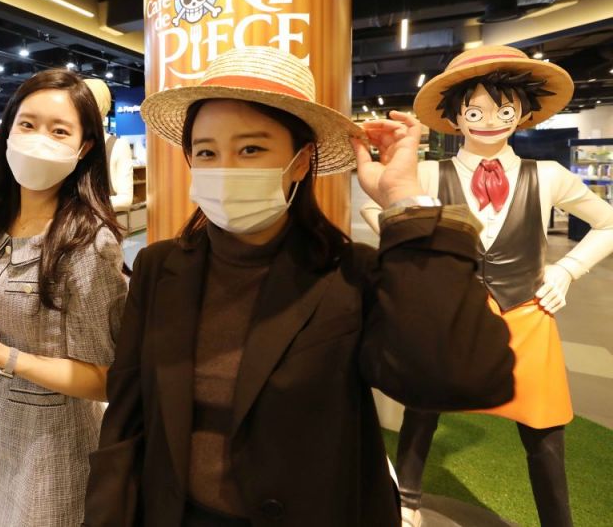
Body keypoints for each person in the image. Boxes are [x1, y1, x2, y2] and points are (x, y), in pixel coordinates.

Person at [83, 46, 514, 527]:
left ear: (302, 160)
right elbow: (127, 410)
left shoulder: (350, 274)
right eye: (206, 152)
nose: (225, 168)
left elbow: (458, 376)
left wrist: (405, 202)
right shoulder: (159, 267)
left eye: (251, 149)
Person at [361, 45, 613, 527]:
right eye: (474, 111)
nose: (490, 121)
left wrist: (566, 270)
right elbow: (374, 207)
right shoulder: (429, 174)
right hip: (452, 312)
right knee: (423, 405)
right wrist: (420, 247)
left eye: (504, 110)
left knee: (545, 428)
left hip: (529, 314)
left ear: (523, 113)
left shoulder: (548, 176)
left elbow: (608, 222)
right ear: (455, 117)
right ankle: (406, 500)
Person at [0, 69, 128, 526]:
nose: (39, 140)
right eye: (28, 124)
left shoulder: (89, 243)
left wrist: (5, 356)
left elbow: (107, 380)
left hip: (52, 458)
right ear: (9, 131)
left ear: (85, 147)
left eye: (60, 131)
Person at [84, 78, 135, 212]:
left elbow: (125, 199)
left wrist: (84, 206)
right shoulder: (71, 143)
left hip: (100, 220)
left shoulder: (117, 146)